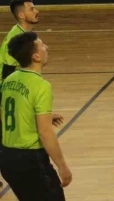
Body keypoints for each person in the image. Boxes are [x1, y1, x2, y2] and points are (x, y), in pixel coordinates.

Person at [0, 32, 71, 200]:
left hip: (7, 158)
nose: (46, 47)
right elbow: (45, 132)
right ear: (36, 56)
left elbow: (7, 112)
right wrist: (62, 166)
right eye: (42, 45)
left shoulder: (9, 80)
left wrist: (41, 116)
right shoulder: (41, 86)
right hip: (30, 160)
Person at [1, 0, 40, 82]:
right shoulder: (17, 38)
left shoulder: (22, 32)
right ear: (21, 15)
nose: (37, 11)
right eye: (31, 9)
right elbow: (8, 69)